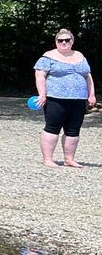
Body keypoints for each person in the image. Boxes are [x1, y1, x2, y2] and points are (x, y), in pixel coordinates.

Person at [34, 29, 95, 168]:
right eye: (60, 40)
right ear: (56, 42)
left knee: (73, 129)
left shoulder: (80, 56)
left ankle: (69, 159)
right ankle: (48, 159)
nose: (63, 43)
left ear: (72, 41)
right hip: (55, 98)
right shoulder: (48, 57)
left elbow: (88, 76)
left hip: (78, 99)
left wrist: (91, 94)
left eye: (67, 40)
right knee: (52, 127)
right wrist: (42, 94)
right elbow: (40, 76)